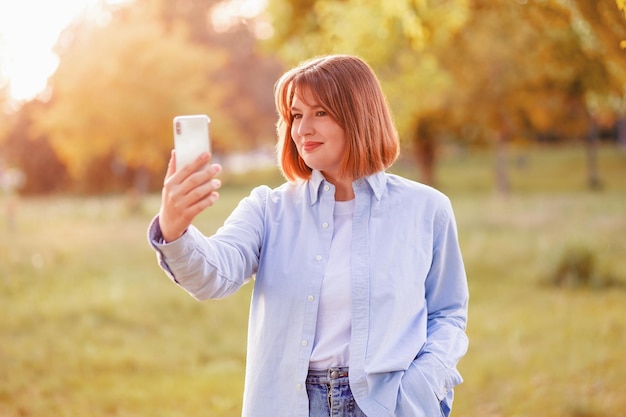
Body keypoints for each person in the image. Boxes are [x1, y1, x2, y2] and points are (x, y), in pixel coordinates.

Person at [148, 54, 469, 417]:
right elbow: (212, 276)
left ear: (359, 115)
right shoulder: (268, 209)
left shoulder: (427, 209)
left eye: (320, 113)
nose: (302, 130)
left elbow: (447, 312)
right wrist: (174, 229)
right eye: (296, 115)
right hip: (291, 405)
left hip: (387, 404)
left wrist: (424, 384)